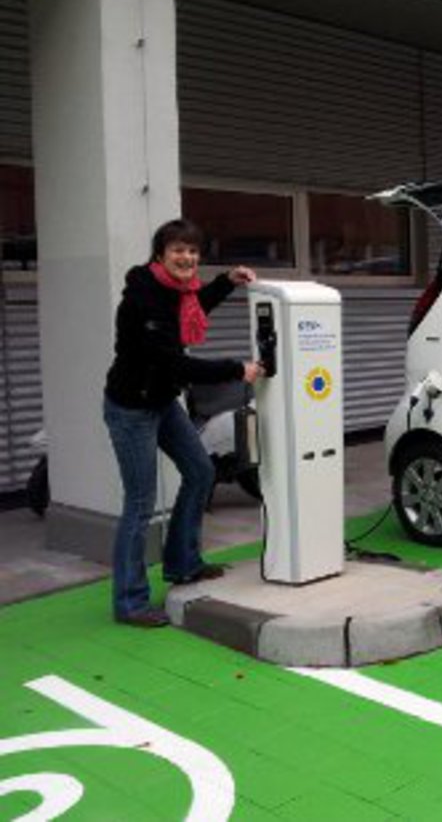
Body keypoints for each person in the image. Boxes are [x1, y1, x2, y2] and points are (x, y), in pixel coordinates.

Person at [104, 218, 265, 627]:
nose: (187, 257)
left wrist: (226, 281)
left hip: (160, 400)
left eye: (193, 251)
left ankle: (182, 564)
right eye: (178, 249)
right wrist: (236, 369)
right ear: (160, 254)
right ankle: (130, 602)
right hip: (131, 408)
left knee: (200, 470)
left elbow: (196, 306)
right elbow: (173, 361)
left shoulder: (180, 292)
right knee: (139, 504)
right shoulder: (145, 297)